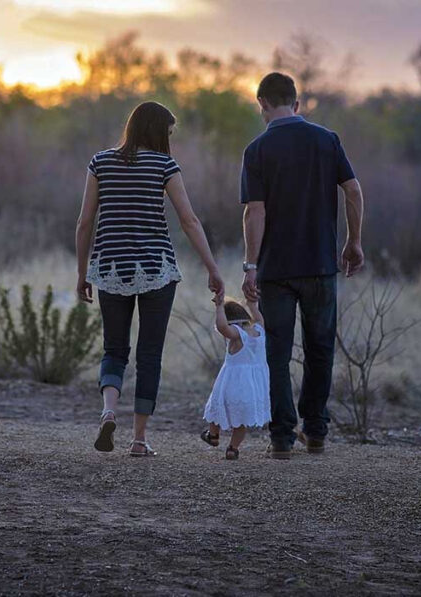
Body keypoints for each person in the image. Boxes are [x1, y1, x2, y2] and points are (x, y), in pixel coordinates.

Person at [75, 101, 224, 457]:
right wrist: (213, 268)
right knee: (149, 355)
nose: (170, 140)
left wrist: (83, 273)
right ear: (158, 132)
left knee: (114, 348)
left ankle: (109, 410)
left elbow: (84, 223)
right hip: (157, 269)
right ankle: (139, 439)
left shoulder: (100, 162)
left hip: (110, 268)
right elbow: (189, 221)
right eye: (169, 133)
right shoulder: (164, 165)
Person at [240, 72, 366, 460]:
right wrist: (353, 241)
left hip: (276, 270)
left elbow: (254, 212)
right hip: (319, 265)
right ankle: (316, 432)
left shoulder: (257, 149)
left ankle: (281, 437)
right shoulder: (327, 140)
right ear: (296, 103)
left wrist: (250, 265)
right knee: (320, 349)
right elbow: (353, 190)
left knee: (276, 353)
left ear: (262, 103)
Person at [200, 297, 271, 460]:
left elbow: (222, 327)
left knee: (217, 407)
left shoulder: (237, 335)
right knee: (241, 420)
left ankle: (213, 435)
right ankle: (233, 448)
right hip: (253, 387)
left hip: (233, 383)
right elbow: (259, 317)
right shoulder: (259, 330)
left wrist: (219, 307)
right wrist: (252, 305)